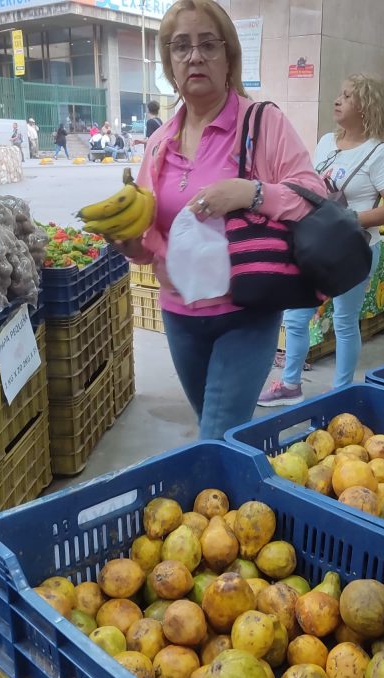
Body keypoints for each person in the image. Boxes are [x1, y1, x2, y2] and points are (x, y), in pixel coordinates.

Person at [116, 0, 326, 440]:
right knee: (218, 431)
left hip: (246, 310)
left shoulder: (262, 123)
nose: (194, 56)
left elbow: (314, 198)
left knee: (216, 433)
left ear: (229, 56)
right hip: (180, 314)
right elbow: (153, 235)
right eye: (181, 47)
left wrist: (250, 192)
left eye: (208, 45)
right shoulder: (159, 145)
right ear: (170, 64)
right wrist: (135, 246)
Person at [259, 74, 384, 406]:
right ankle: (290, 385)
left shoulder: (380, 153)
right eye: (340, 94)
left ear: (366, 107)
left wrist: (353, 218)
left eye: (348, 96)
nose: (338, 101)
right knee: (295, 317)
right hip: (316, 246)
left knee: (343, 320)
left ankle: (341, 392)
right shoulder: (326, 142)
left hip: (354, 249)